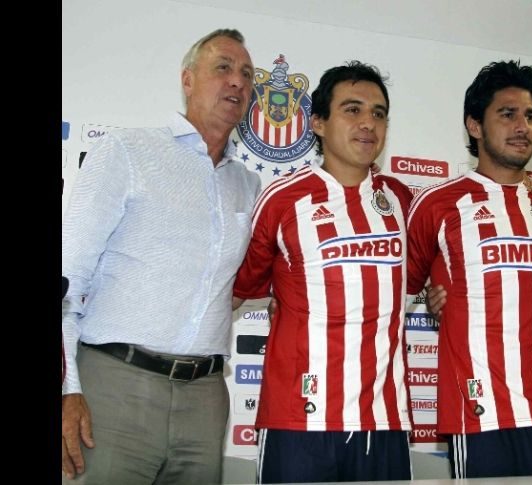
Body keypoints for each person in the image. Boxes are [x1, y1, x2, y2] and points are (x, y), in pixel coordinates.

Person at [61, 28, 261, 483]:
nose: (237, 81)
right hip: (116, 385)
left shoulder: (249, 185)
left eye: (247, 75)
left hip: (206, 399)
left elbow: (242, 283)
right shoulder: (127, 151)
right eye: (223, 68)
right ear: (187, 80)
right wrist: (67, 388)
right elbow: (67, 281)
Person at [407, 60, 532, 478]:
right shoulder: (438, 204)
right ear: (475, 126)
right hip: (483, 414)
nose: (522, 126)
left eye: (530, 116)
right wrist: (433, 301)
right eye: (507, 114)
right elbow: (401, 286)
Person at [232, 61, 413, 483]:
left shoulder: (403, 201)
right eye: (352, 109)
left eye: (379, 113)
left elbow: (435, 275)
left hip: (383, 420)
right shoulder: (282, 199)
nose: (368, 123)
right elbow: (241, 287)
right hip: (299, 418)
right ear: (317, 123)